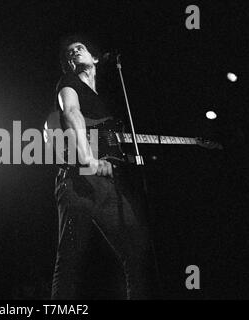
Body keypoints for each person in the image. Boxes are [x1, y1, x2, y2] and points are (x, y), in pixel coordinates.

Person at [50, 35, 157, 299]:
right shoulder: (68, 83)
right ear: (67, 66)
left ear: (95, 59)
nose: (74, 52)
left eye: (80, 48)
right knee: (70, 262)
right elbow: (71, 113)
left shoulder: (107, 100)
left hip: (109, 185)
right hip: (78, 181)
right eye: (69, 53)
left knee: (136, 256)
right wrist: (87, 159)